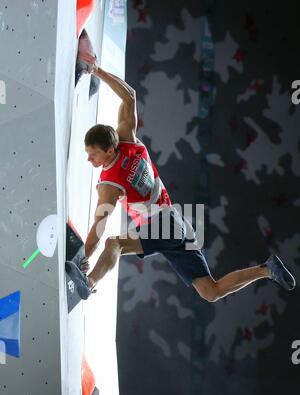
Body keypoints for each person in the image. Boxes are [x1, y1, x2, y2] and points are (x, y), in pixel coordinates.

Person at [65, 53, 296, 301]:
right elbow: (129, 95)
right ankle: (267, 269)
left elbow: (98, 229)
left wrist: (82, 260)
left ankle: (87, 284)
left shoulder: (110, 185)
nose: (90, 160)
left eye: (94, 155)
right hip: (176, 221)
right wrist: (96, 70)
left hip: (163, 224)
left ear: (109, 150)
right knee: (210, 291)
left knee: (114, 244)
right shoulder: (128, 140)